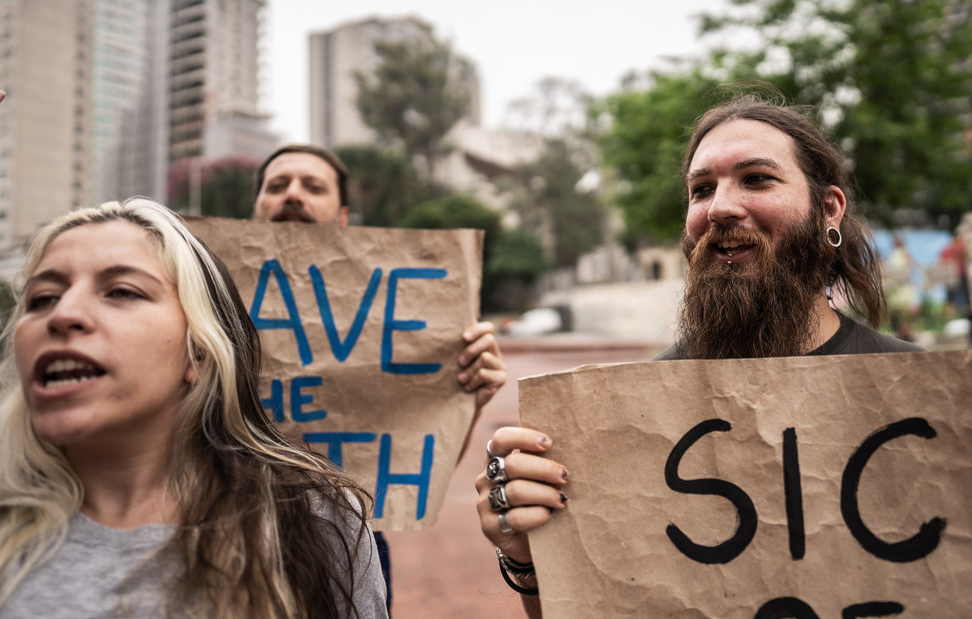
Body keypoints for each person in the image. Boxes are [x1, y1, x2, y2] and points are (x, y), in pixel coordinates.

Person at [474, 94, 924, 617]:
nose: (720, 207)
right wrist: (533, 560)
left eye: (757, 178)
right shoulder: (628, 416)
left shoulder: (915, 390)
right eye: (701, 189)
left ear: (828, 209)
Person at [0, 198, 387, 617]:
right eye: (42, 298)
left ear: (198, 353)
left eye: (121, 291)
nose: (64, 314)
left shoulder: (316, 522)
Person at [253, 143, 508, 609]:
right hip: (223, 535)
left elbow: (407, 480)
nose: (293, 195)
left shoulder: (390, 315)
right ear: (255, 211)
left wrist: (468, 399)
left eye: (312, 187)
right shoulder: (204, 300)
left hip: (348, 548)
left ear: (343, 217)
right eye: (277, 185)